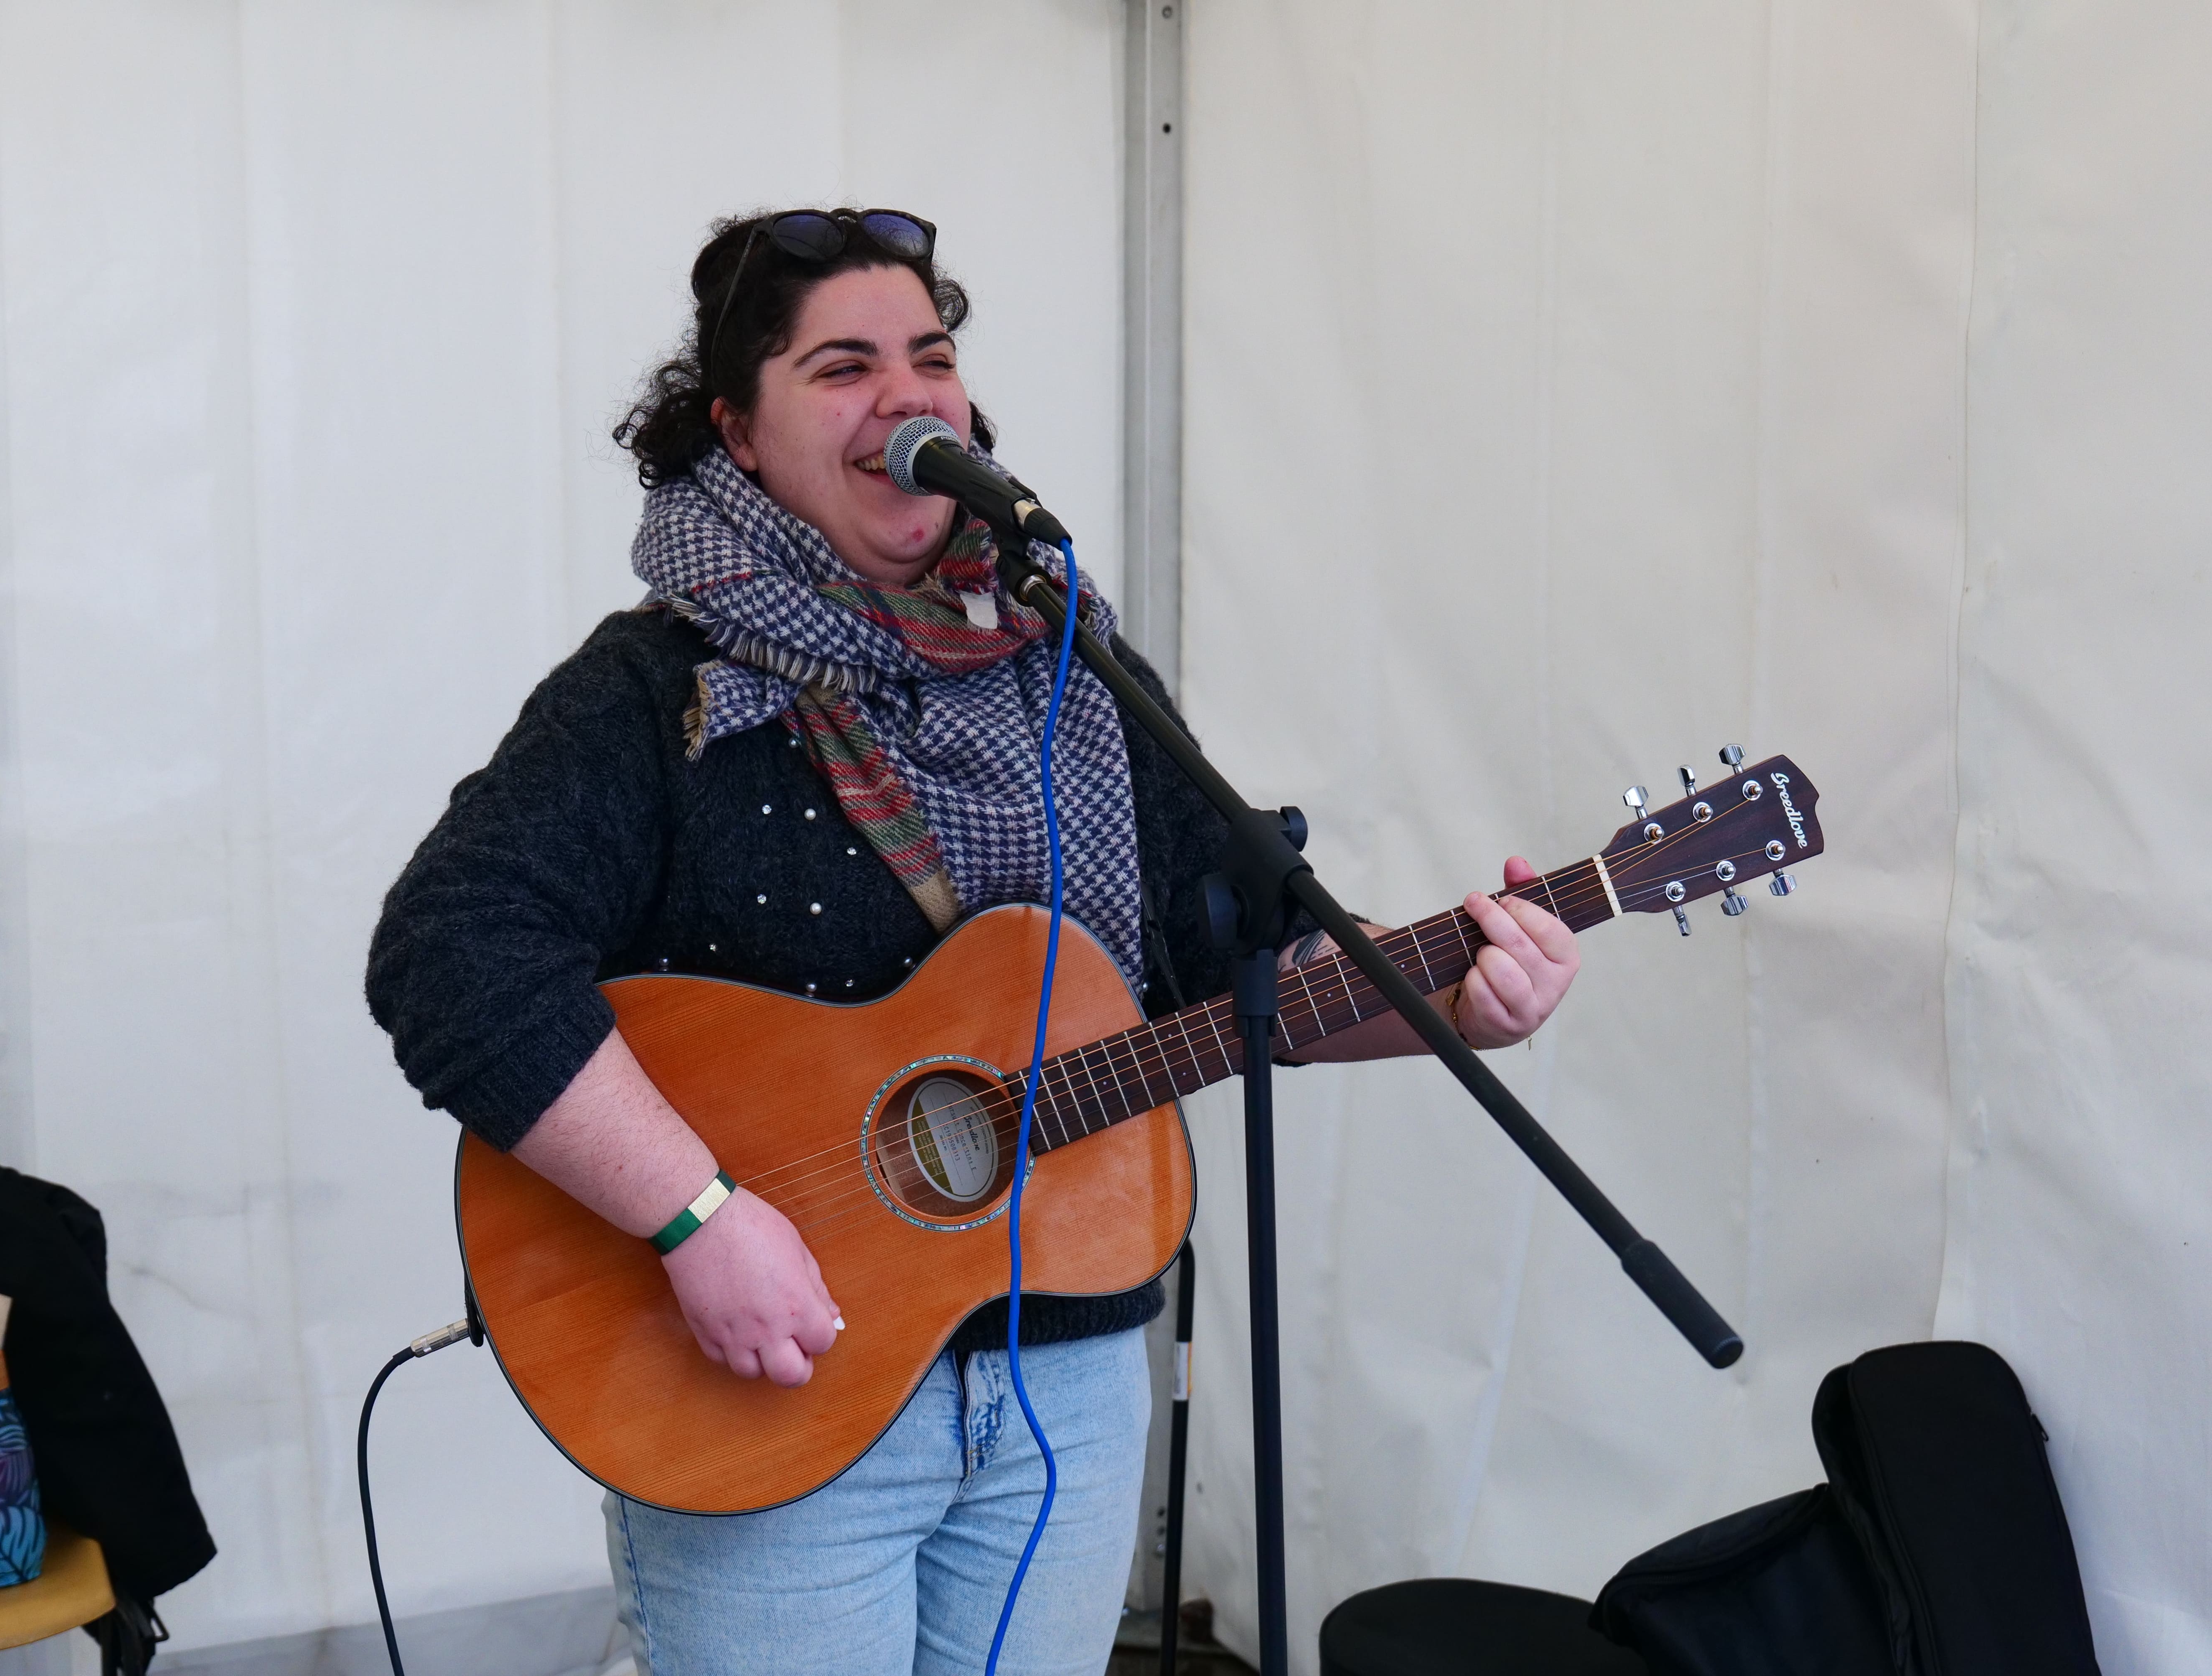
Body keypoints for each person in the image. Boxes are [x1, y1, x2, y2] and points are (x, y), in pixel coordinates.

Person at [366, 207, 1581, 1676]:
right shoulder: (655, 691)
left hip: (1064, 1384)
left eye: (932, 355)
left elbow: (1233, 964)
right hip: (775, 1395)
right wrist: (695, 1215)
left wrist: (1454, 995)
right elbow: (453, 950)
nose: (908, 393)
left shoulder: (1066, 659)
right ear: (737, 433)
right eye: (842, 366)